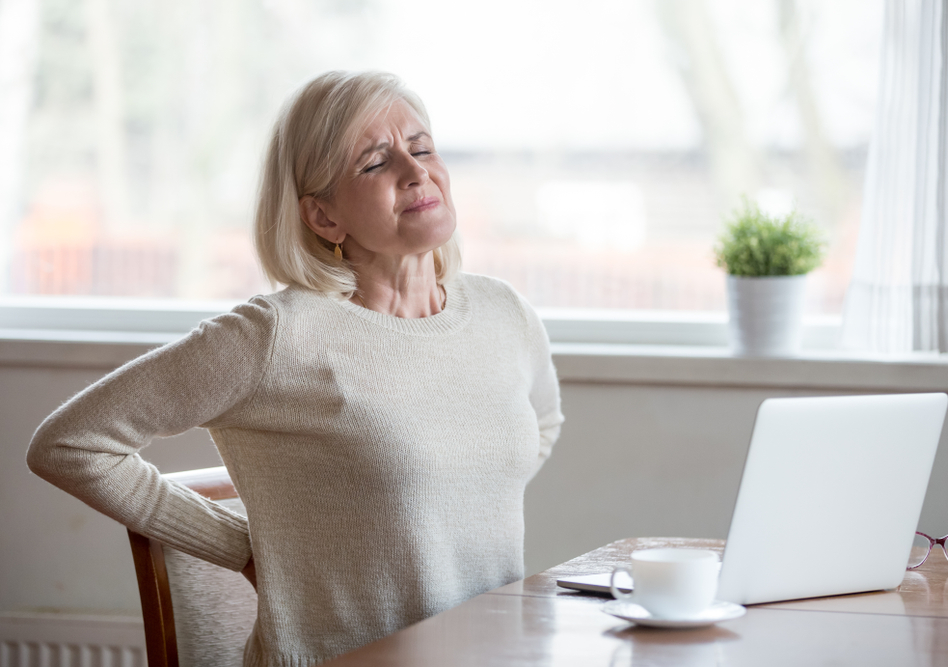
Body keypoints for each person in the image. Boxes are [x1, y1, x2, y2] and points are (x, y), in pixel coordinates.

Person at [26, 70, 563, 666]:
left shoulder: (503, 312)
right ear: (323, 217)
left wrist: (453, 488)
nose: (416, 173)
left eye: (421, 147)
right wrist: (243, 547)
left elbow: (542, 423)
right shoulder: (279, 336)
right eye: (375, 162)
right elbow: (70, 445)